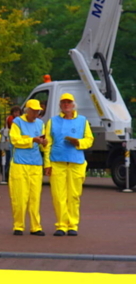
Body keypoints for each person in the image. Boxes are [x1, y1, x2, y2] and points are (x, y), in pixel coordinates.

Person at [44, 93, 93, 237]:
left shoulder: (82, 121)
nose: (66, 105)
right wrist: (47, 164)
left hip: (76, 162)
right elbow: (47, 144)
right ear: (60, 105)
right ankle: (61, 225)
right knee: (58, 196)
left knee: (74, 195)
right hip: (57, 162)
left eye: (69, 102)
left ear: (73, 105)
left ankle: (73, 225)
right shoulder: (52, 121)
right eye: (63, 102)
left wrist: (79, 142)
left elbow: (89, 139)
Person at [9, 99, 47, 236]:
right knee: (20, 196)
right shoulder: (17, 122)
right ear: (27, 110)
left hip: (36, 163)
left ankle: (35, 226)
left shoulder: (40, 123)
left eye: (38, 111)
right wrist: (32, 140)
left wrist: (44, 142)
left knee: (35, 196)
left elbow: (44, 143)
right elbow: (15, 140)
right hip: (20, 163)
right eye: (34, 110)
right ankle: (18, 225)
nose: (36, 113)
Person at [1, 105, 22, 185]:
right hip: (9, 141)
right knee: (9, 158)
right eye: (15, 112)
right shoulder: (11, 119)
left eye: (18, 112)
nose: (17, 114)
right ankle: (7, 174)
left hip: (12, 141)